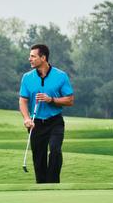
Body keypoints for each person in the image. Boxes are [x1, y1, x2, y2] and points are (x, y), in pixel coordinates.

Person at [19, 43, 74, 183]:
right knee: (39, 157)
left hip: (55, 121)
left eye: (33, 56)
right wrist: (26, 119)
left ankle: (53, 183)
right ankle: (42, 187)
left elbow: (69, 100)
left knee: (55, 150)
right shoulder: (27, 77)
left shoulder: (61, 76)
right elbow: (23, 101)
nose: (29, 59)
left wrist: (51, 100)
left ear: (43, 58)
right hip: (36, 123)